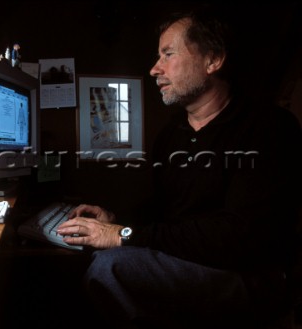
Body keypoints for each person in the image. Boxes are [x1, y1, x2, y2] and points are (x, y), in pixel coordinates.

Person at [57, 7, 302, 329]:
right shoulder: (173, 133)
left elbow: (239, 236)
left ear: (212, 60)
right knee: (84, 255)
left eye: (168, 54)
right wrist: (115, 221)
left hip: (248, 274)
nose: (154, 69)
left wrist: (125, 236)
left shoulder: (269, 127)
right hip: (183, 259)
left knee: (110, 267)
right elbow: (162, 210)